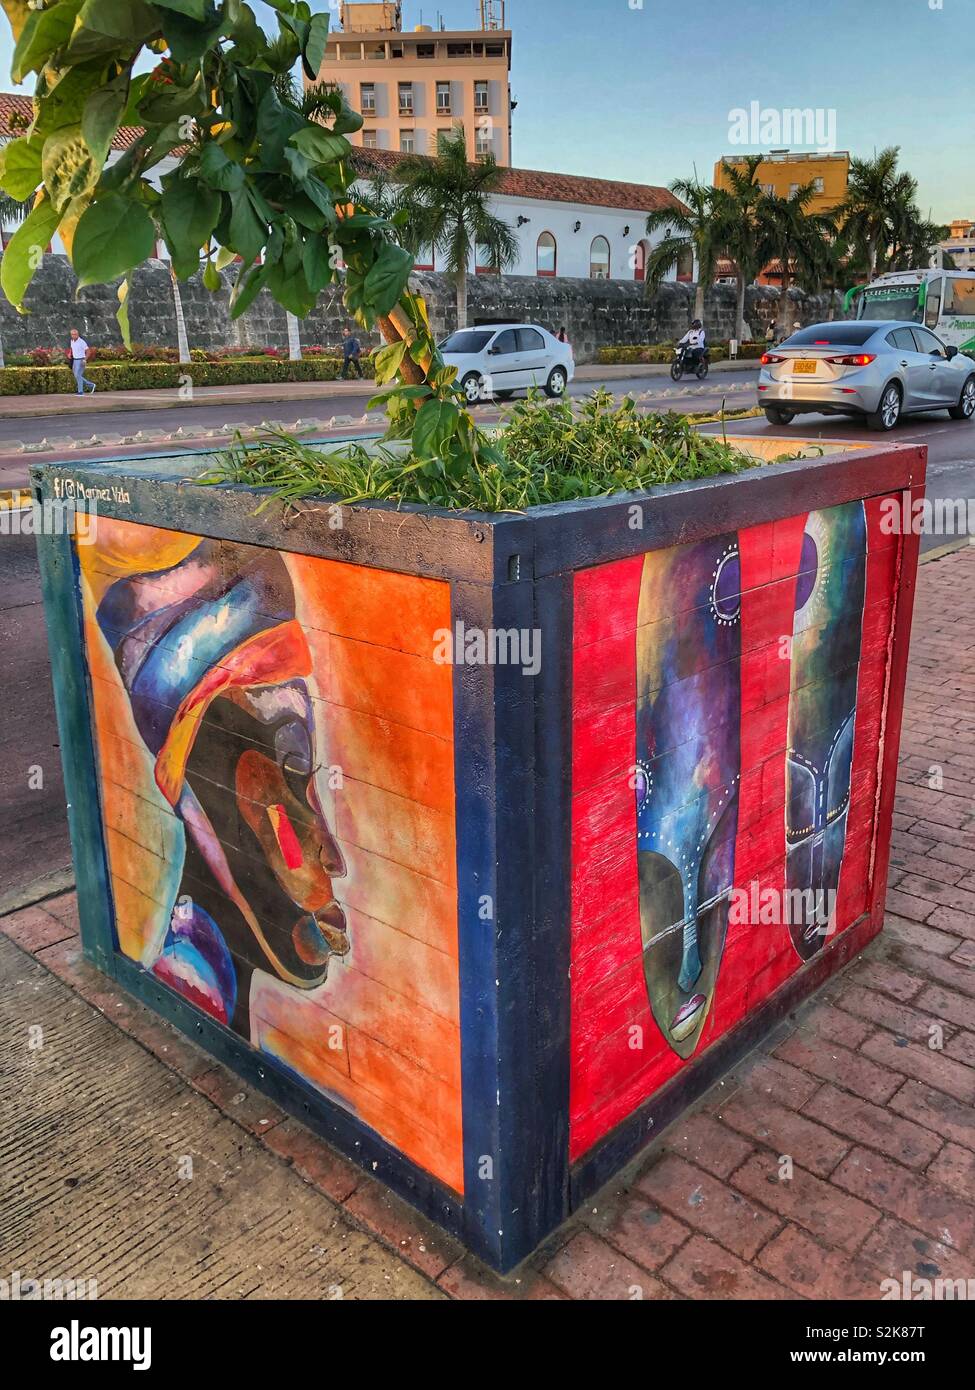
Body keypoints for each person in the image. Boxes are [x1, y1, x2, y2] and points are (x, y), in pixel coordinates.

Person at [68, 328, 96, 395]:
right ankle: (91, 385)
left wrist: (85, 359)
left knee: (78, 375)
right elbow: (72, 348)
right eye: (72, 334)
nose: (73, 336)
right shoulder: (72, 341)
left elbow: (88, 351)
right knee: (76, 376)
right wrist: (70, 353)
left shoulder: (82, 342)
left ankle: (80, 391)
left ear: (78, 334)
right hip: (75, 360)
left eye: (75, 334)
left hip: (81, 360)